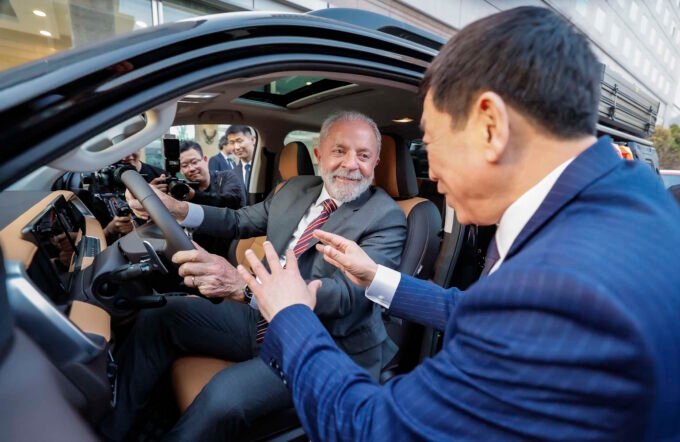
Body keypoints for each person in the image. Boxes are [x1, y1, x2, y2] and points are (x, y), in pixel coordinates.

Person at [239, 7, 680, 441]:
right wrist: (374, 275)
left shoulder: (560, 291)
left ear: (489, 125)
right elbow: (476, 309)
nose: (431, 173)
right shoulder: (631, 194)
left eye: (431, 142)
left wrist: (291, 315)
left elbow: (374, 429)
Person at [100, 112, 407, 441]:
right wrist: (178, 210)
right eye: (340, 151)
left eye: (363, 155)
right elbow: (238, 220)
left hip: (324, 344)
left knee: (223, 396)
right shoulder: (296, 188)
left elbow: (347, 296)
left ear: (376, 162)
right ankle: (111, 430)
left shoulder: (385, 217)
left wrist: (246, 287)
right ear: (319, 154)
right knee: (159, 316)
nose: (351, 164)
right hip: (261, 320)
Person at [178, 140, 245, 209]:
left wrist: (194, 195)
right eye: (185, 166)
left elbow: (232, 202)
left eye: (194, 162)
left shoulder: (226, 177)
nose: (191, 169)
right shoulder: (183, 190)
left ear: (205, 160)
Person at [226, 125, 256, 194]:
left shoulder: (267, 166)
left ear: (253, 140)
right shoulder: (232, 175)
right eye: (232, 143)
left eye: (239, 141)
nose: (236, 147)